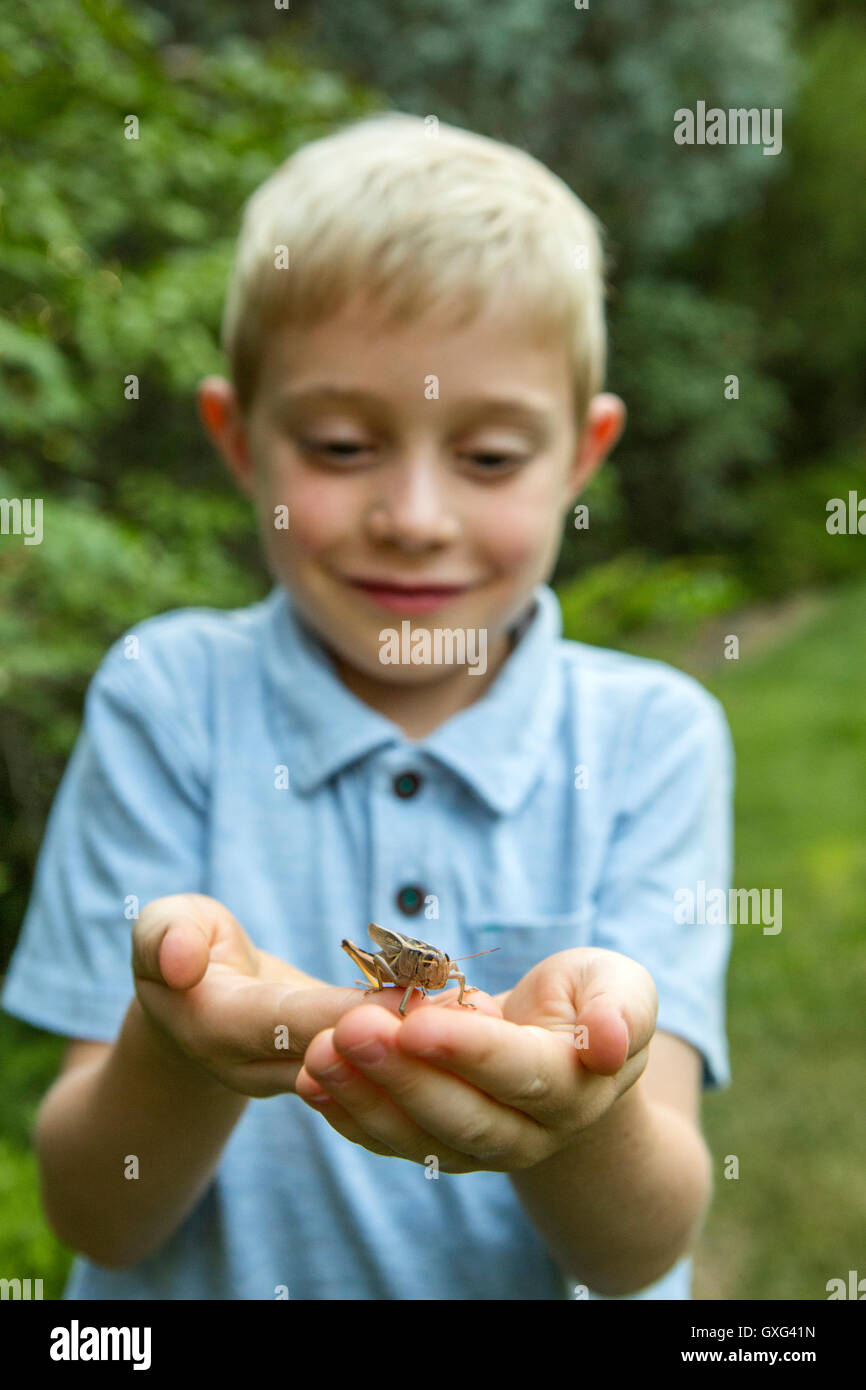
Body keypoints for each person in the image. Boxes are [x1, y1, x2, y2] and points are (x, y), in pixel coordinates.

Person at [1, 111, 734, 1300]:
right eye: (341, 444)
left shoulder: (654, 738)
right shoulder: (166, 697)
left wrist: (584, 1107)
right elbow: (97, 1211)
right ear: (236, 439)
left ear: (582, 458)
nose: (413, 514)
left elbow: (641, 1247)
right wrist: (185, 1043)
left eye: (489, 457)